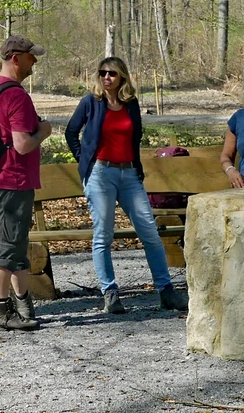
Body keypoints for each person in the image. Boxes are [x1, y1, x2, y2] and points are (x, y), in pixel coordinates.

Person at [65, 57, 188, 314]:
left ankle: (166, 291)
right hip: (100, 173)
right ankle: (110, 293)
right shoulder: (90, 103)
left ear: (122, 77)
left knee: (150, 233)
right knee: (103, 235)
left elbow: (135, 138)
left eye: (111, 73)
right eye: (102, 73)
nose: (106, 77)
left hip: (129, 174)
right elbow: (71, 132)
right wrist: (84, 159)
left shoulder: (130, 104)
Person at [0, 35, 52, 331]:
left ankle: (22, 300)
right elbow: (22, 144)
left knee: (16, 242)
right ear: (16, 58)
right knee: (7, 246)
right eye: (31, 56)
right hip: (12, 179)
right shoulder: (16, 96)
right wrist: (44, 131)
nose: (34, 61)